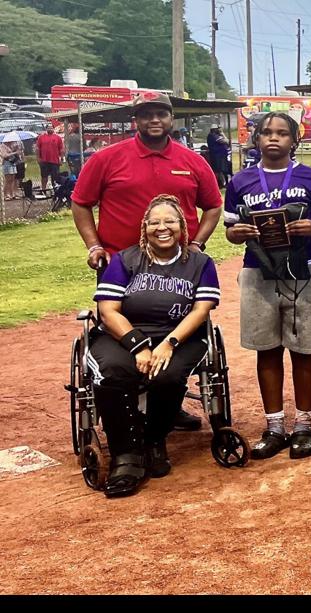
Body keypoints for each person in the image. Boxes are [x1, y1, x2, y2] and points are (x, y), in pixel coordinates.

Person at [72, 92, 223, 435]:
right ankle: (122, 405)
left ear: (171, 118)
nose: (154, 120)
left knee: (173, 332)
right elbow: (81, 202)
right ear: (135, 120)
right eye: (146, 114)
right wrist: (94, 245)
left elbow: (213, 205)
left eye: (161, 114)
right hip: (121, 267)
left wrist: (196, 244)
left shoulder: (192, 161)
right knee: (121, 333)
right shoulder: (107, 158)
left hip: (176, 267)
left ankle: (167, 401)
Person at [86, 194, 223, 497]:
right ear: (144, 227)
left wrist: (170, 343)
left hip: (179, 336)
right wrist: (138, 345)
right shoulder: (125, 260)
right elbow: (108, 311)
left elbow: (200, 311)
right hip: (124, 335)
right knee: (114, 371)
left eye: (170, 221)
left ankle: (153, 439)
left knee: (168, 376)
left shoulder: (199, 263)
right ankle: (126, 456)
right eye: (154, 222)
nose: (162, 228)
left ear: (182, 227)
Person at [224, 111, 311, 461]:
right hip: (258, 271)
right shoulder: (240, 181)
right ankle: (274, 427)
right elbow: (230, 231)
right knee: (267, 349)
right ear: (256, 138)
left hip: (305, 270)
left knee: (304, 349)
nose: (274, 138)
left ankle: (303, 425)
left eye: (282, 133)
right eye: (267, 132)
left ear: (294, 140)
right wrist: (237, 233)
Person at [36, 124, 63, 198]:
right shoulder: (41, 137)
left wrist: (61, 159)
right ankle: (43, 190)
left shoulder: (58, 138)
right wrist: (38, 158)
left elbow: (61, 149)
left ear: (53, 129)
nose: (50, 129)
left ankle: (55, 191)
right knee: (44, 176)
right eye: (48, 128)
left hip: (55, 161)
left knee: (55, 177)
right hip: (44, 161)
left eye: (51, 128)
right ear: (46, 129)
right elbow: (37, 148)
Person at [2, 135, 21, 200]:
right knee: (8, 180)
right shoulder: (2, 146)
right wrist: (14, 153)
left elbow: (13, 153)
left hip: (13, 163)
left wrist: (16, 150)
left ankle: (12, 193)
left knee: (13, 179)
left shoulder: (11, 146)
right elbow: (5, 155)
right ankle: (5, 194)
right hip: (7, 163)